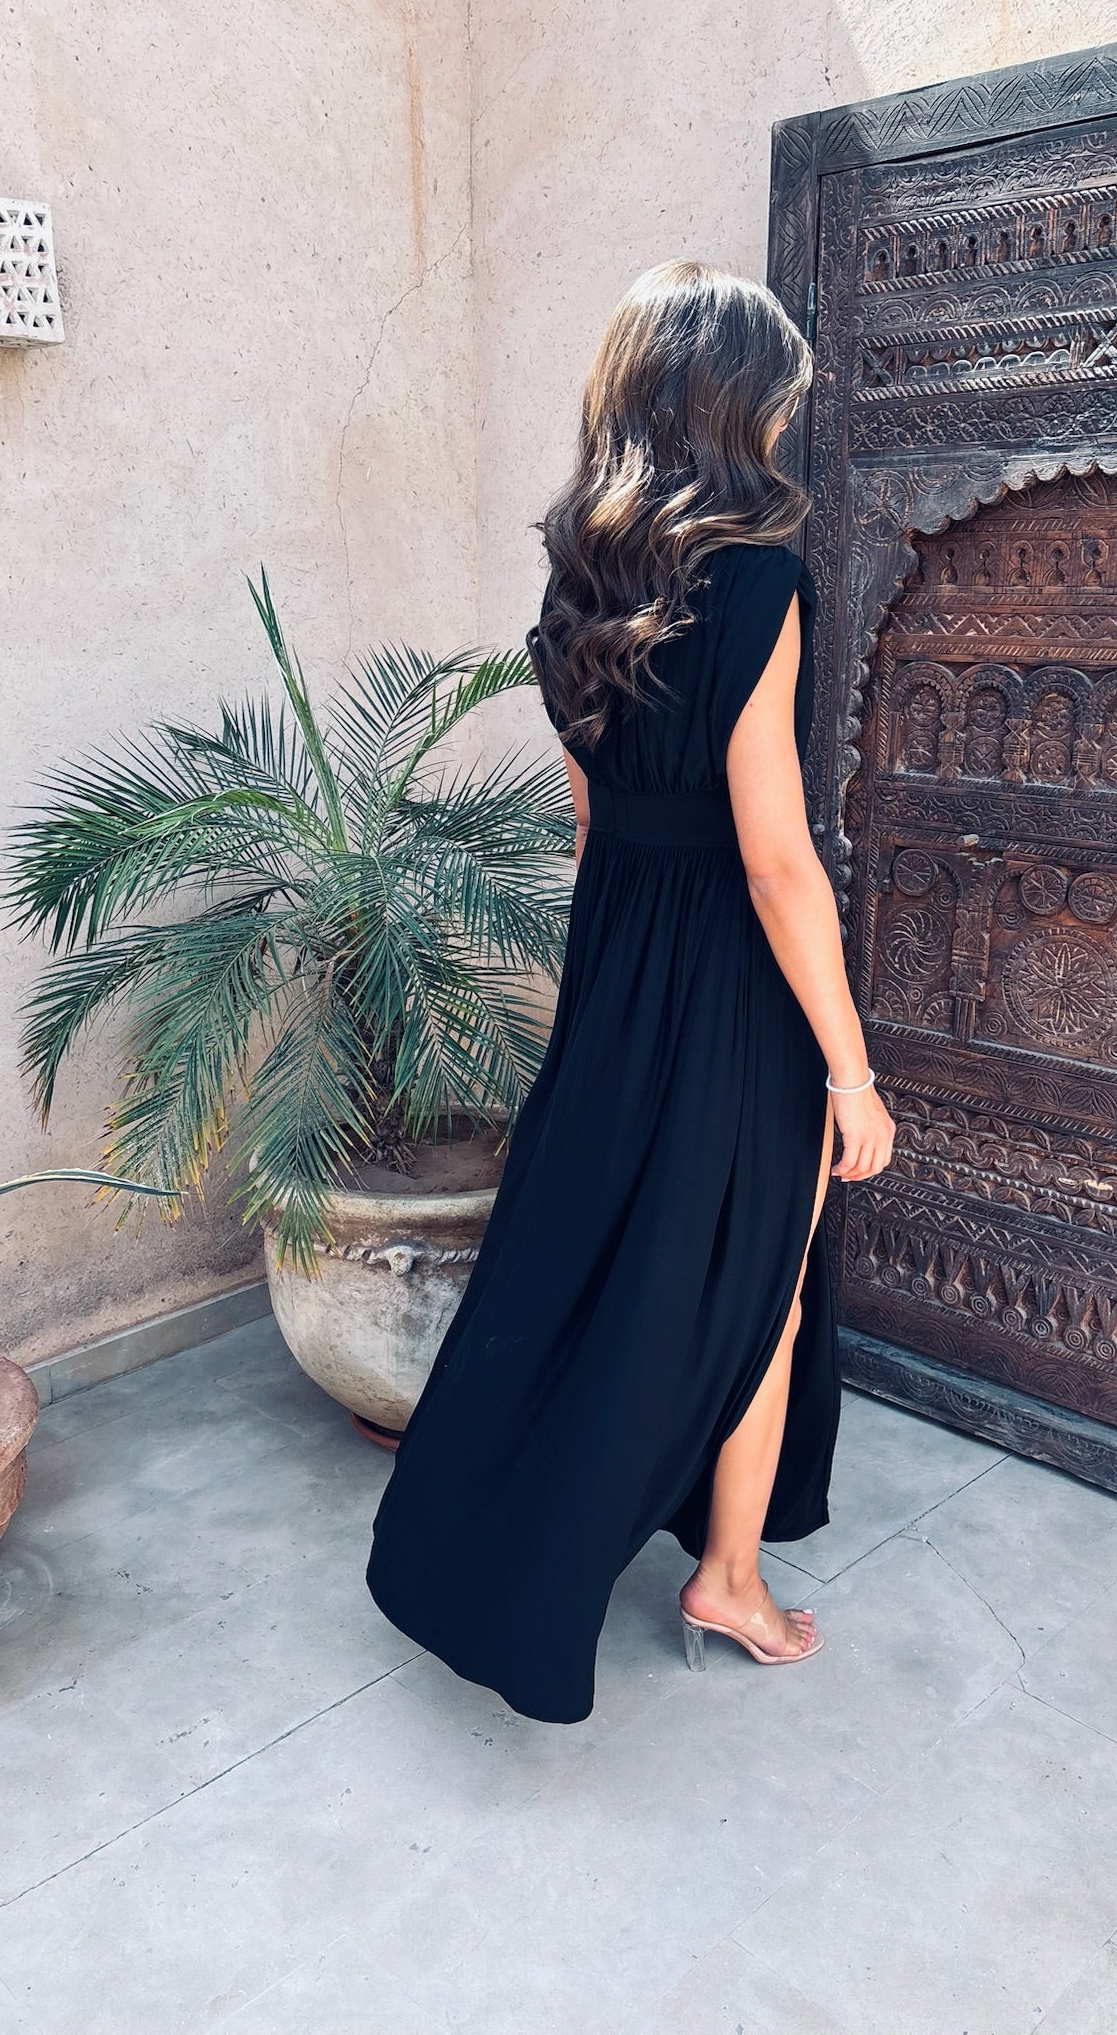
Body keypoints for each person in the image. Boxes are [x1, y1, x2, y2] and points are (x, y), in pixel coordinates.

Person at [366, 258, 895, 1724]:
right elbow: (776, 860)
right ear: (739, 407)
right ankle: (729, 1577)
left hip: (620, 944)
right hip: (729, 968)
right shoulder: (760, 581)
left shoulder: (581, 576)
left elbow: (591, 809)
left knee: (592, 1249)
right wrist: (851, 1073)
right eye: (779, 398)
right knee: (763, 1272)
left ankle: (489, 1536)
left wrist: (614, 966)